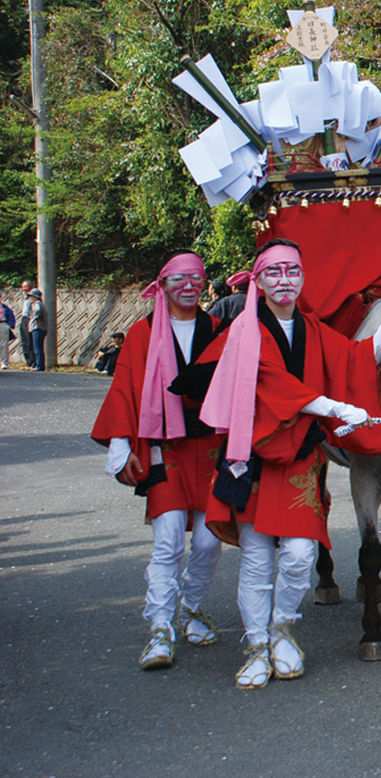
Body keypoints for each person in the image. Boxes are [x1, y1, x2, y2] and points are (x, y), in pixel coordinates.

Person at [196, 239, 381, 688]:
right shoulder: (245, 330)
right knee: (258, 561)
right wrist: (334, 408)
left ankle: (282, 627)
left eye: (292, 272)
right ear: (259, 280)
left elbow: (353, 356)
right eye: (274, 272)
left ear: (303, 277)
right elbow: (272, 382)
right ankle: (256, 645)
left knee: (301, 555)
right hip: (254, 458)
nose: (284, 281)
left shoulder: (313, 329)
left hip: (299, 460)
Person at [90, 253, 227, 671]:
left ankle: (192, 608)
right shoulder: (142, 332)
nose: (188, 285)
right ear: (162, 284)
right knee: (167, 541)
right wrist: (121, 445)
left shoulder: (219, 329)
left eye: (196, 278)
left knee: (208, 541)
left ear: (204, 284)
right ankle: (160, 629)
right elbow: (126, 389)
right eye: (178, 278)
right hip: (163, 446)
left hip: (208, 447)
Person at [27, 287, 46, 371]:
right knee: (38, 346)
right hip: (39, 328)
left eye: (31, 296)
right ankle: (39, 364)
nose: (30, 298)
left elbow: (38, 311)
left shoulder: (37, 303)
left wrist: (36, 318)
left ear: (36, 297)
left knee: (37, 347)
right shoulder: (38, 303)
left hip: (38, 328)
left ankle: (39, 366)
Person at [18, 278, 35, 368]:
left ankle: (32, 361)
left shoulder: (34, 298)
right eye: (22, 287)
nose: (23, 288)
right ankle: (28, 361)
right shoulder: (26, 297)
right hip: (24, 318)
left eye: (25, 286)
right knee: (24, 341)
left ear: (31, 287)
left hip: (29, 319)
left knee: (30, 341)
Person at [1, 299, 14, 369]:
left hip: (2, 323)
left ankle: (4, 363)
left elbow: (11, 315)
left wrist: (9, 325)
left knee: (3, 345)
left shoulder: (4, 307)